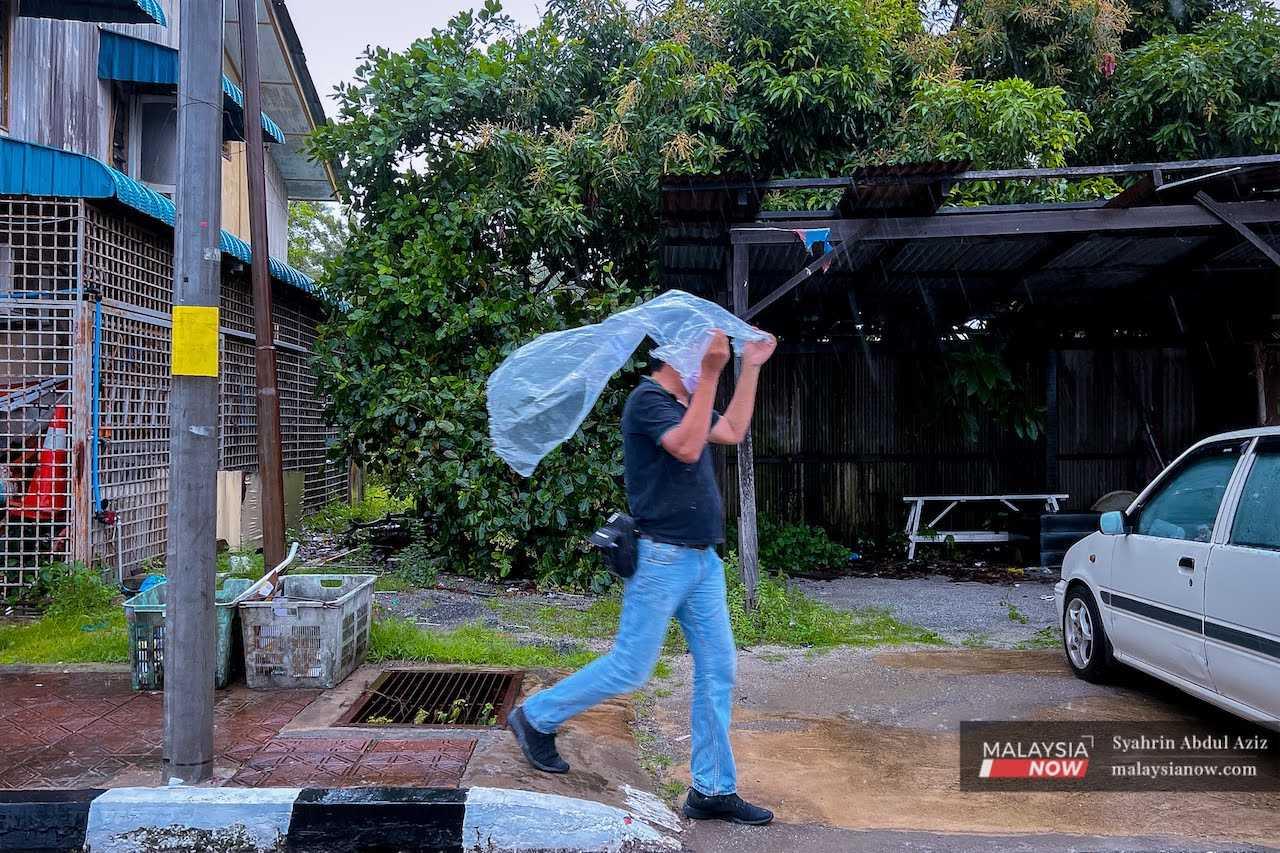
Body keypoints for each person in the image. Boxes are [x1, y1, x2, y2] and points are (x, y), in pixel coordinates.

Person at [507, 328, 778, 826]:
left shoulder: (684, 402)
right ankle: (536, 717)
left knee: (719, 670)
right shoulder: (648, 400)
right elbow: (688, 448)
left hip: (702, 562)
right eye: (701, 359)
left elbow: (734, 430)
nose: (707, 365)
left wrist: (753, 365)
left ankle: (713, 790)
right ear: (678, 356)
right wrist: (715, 372)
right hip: (660, 558)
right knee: (631, 667)